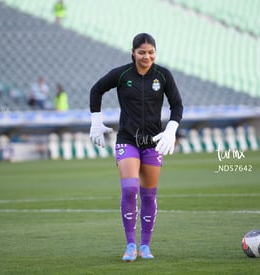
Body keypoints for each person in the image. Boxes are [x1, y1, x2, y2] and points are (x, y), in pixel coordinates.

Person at [89, 33, 183, 262]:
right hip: (127, 140)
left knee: (149, 196)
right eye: (141, 52)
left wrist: (171, 129)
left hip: (153, 142)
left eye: (151, 52)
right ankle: (130, 244)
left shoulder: (163, 75)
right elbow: (96, 90)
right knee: (130, 189)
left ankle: (145, 246)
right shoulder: (122, 74)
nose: (146, 56)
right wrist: (96, 122)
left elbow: (177, 104)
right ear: (133, 53)